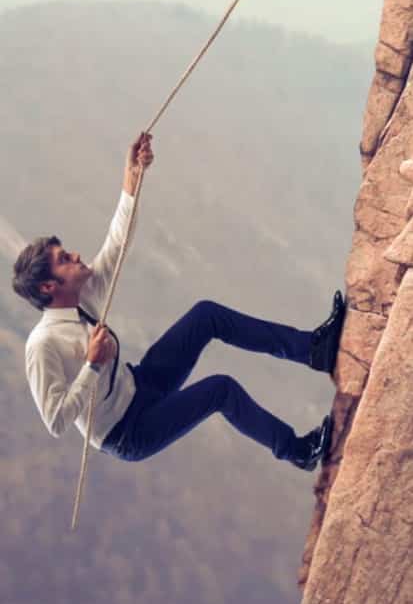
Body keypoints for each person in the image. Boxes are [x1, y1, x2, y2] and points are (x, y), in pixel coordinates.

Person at [12, 134, 345, 472]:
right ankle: (299, 451)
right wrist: (92, 365)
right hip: (129, 432)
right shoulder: (43, 345)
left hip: (141, 385)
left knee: (207, 316)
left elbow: (117, 244)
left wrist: (132, 179)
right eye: (64, 258)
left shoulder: (81, 299)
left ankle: (314, 350)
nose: (76, 255)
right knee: (221, 390)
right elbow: (56, 421)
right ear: (49, 286)